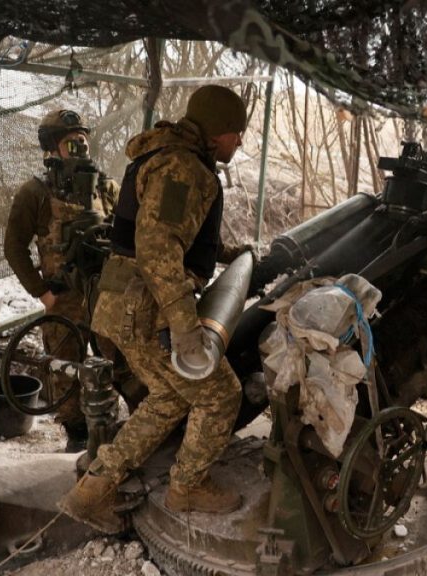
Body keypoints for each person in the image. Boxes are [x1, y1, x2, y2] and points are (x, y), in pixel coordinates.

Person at [58, 85, 250, 533]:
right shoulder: (183, 167)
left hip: (123, 302)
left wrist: (233, 254)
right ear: (217, 131)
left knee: (168, 397)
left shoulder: (167, 155)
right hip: (146, 308)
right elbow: (159, 246)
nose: (238, 141)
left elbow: (172, 234)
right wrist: (185, 329)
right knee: (221, 394)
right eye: (235, 132)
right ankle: (187, 487)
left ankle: (91, 491)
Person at [4, 109, 120, 452]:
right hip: (63, 298)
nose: (81, 147)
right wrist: (42, 293)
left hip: (103, 294)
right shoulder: (35, 192)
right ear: (53, 149)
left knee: (117, 361)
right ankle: (78, 437)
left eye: (83, 139)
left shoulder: (105, 187)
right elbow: (13, 247)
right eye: (72, 142)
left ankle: (113, 426)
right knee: (66, 369)